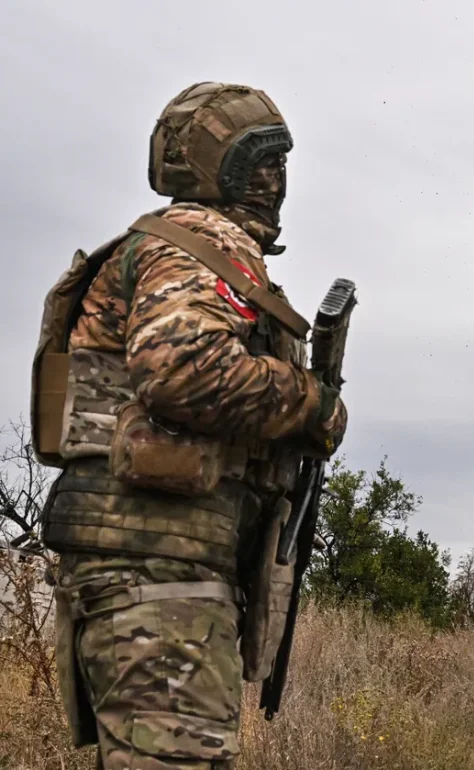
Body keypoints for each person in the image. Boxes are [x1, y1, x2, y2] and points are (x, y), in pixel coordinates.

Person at [36, 82, 347, 770]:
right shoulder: (202, 244)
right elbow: (183, 371)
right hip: (156, 568)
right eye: (265, 161)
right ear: (233, 170)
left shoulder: (186, 249)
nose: (278, 180)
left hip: (153, 564)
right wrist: (313, 404)